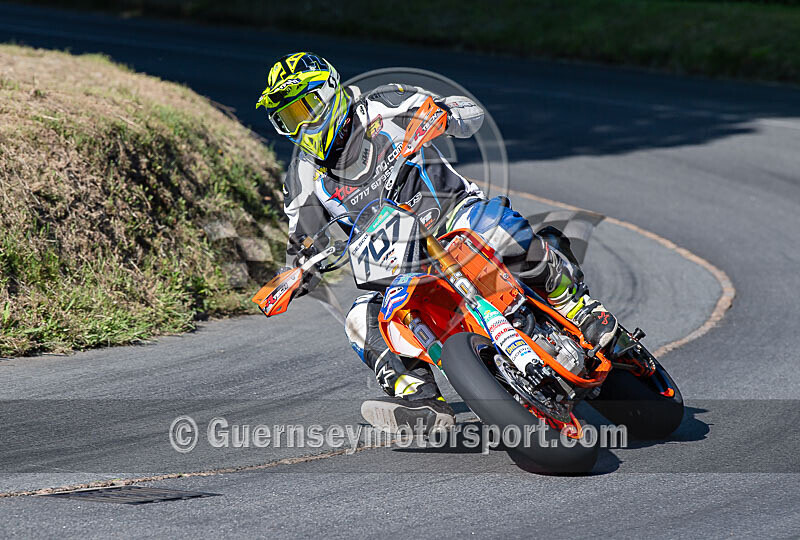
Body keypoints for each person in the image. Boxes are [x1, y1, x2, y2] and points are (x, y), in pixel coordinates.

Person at [256, 52, 619, 433]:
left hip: (450, 217)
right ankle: (421, 402)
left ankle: (580, 308)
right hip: (396, 265)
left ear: (330, 91)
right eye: (289, 118)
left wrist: (445, 112)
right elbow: (304, 242)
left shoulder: (383, 104)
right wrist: (294, 274)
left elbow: (468, 111)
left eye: (304, 107)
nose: (302, 123)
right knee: (359, 319)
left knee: (493, 226)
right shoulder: (301, 177)